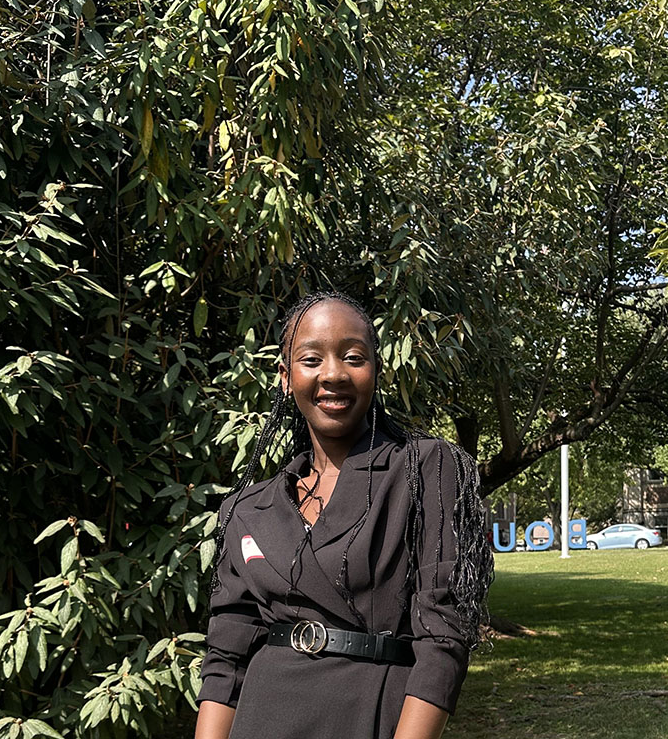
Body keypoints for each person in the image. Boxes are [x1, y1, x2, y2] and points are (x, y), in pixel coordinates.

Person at [194, 292, 493, 739]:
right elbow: (227, 655)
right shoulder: (247, 509)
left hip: (370, 716)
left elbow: (444, 638)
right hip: (263, 718)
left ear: (376, 370)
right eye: (311, 359)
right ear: (285, 377)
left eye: (353, 357)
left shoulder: (424, 470)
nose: (333, 374)